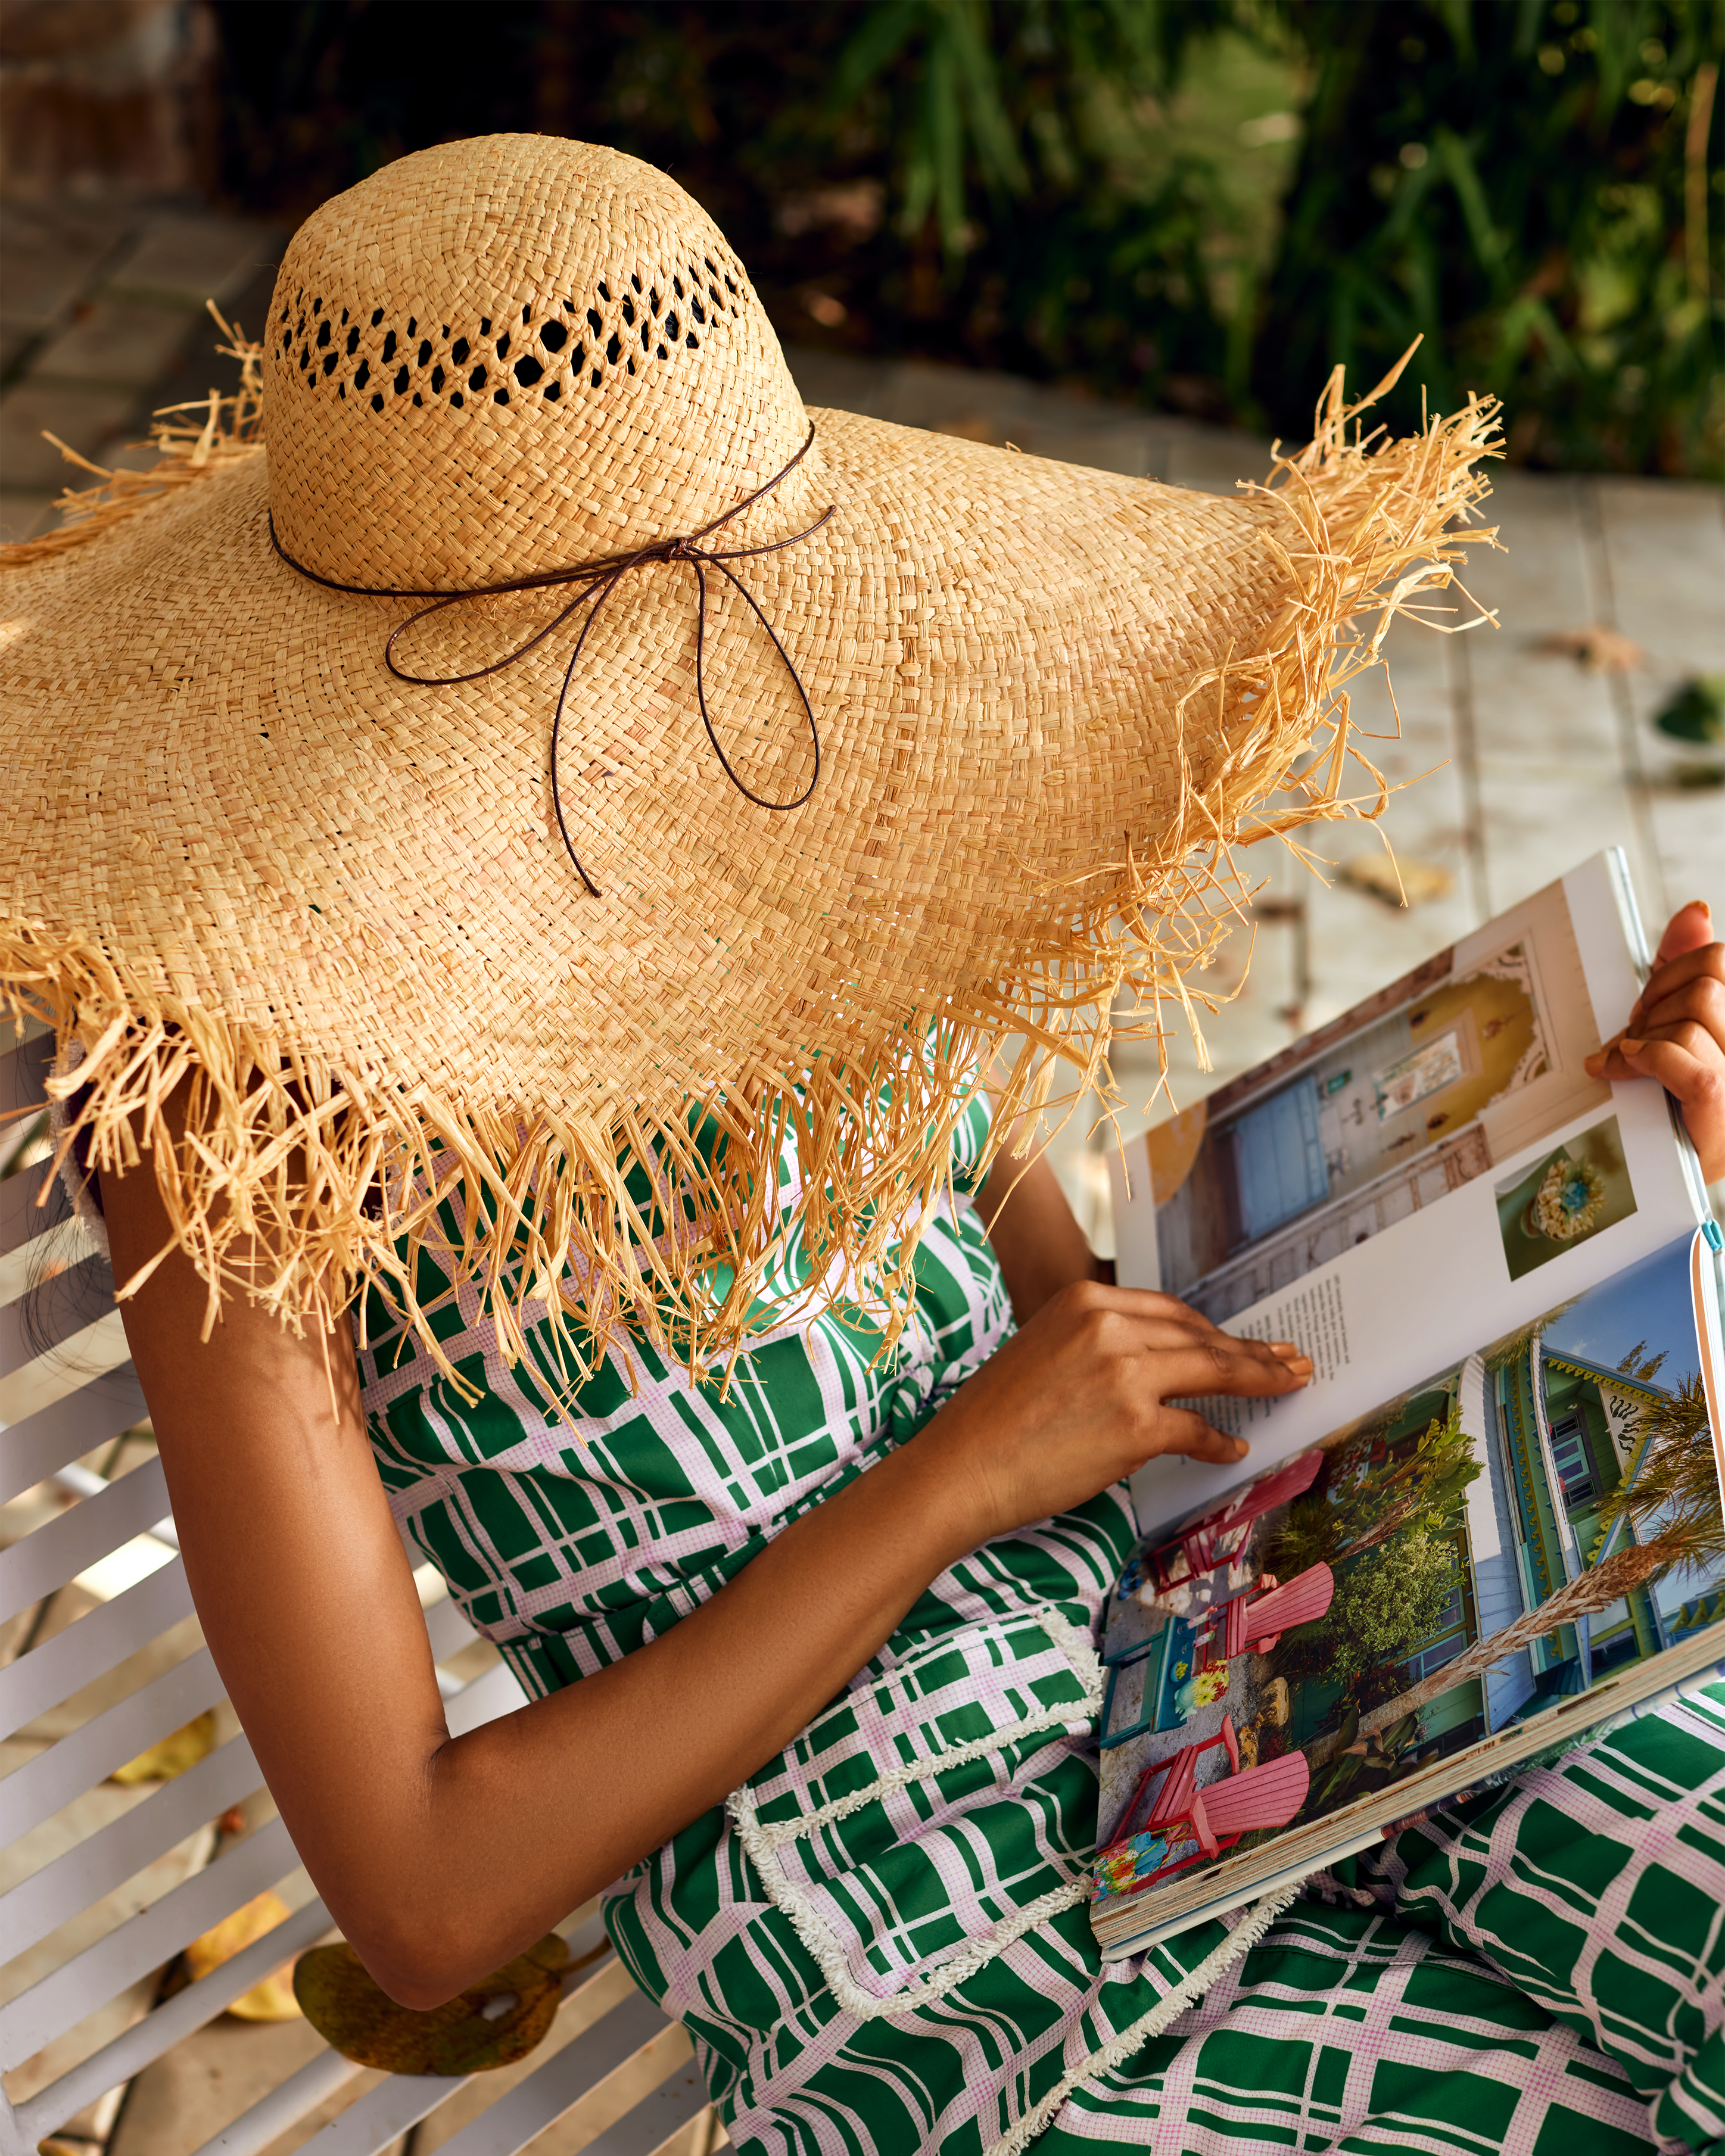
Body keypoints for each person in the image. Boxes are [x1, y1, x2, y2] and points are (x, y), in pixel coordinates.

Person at [5, 135, 1723, 2155]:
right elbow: (426, 1890)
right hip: (929, 1931)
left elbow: (1077, 1316)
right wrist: (951, 1480)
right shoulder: (235, 1099)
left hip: (1229, 1636)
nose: (716, 705)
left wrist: (1595, 1178)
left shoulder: (805, 816)